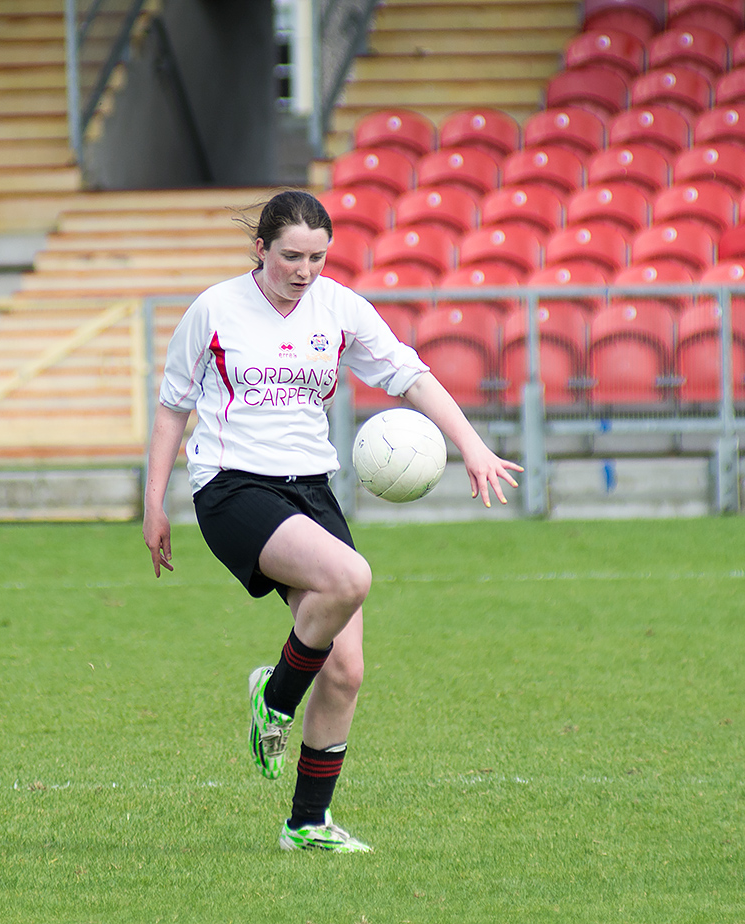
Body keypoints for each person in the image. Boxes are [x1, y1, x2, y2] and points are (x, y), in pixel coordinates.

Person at [143, 189, 523, 853]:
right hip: (232, 486)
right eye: (291, 255)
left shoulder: (340, 308)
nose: (306, 269)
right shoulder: (215, 310)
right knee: (350, 575)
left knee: (346, 669)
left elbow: (409, 374)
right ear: (260, 249)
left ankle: (307, 825)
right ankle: (277, 696)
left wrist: (473, 444)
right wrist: (154, 503)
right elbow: (174, 405)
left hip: (310, 488)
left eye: (319, 256)